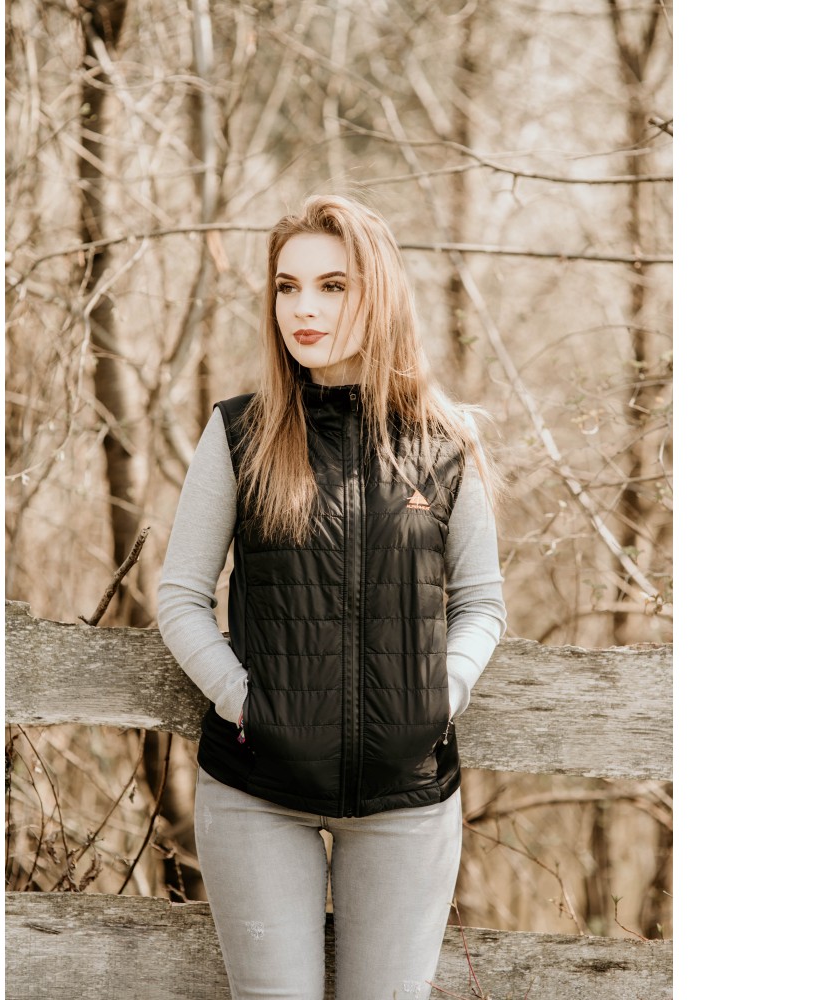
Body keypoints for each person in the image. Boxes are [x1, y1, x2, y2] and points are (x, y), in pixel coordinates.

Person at [157, 194, 506, 1000]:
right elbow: (180, 597)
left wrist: (439, 695)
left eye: (332, 286)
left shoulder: (444, 443)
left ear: (378, 294)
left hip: (406, 798)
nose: (302, 309)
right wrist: (246, 702)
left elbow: (482, 603)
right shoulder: (241, 433)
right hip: (257, 793)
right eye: (287, 287)